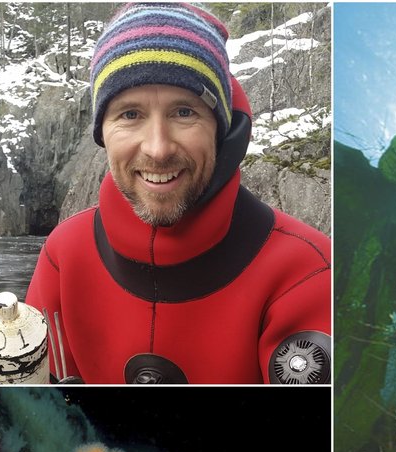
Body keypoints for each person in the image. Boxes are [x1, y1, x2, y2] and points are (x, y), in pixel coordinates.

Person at [26, 2, 331, 384]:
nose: (158, 148)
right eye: (129, 114)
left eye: (184, 112)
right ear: (101, 131)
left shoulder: (306, 273)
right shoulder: (64, 256)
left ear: (221, 129)